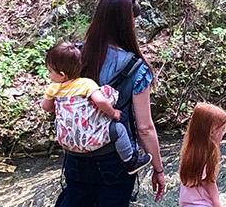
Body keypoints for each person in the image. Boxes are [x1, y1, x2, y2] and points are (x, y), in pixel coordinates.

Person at [39, 0, 170, 207]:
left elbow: (54, 102)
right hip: (115, 163)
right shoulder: (135, 67)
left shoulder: (78, 56)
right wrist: (157, 167)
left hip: (76, 159)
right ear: (128, 22)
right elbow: (143, 125)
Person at [40, 41, 148, 173]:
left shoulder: (53, 89)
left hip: (67, 142)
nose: (49, 74)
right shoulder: (86, 84)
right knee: (118, 130)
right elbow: (101, 101)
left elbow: (46, 107)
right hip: (91, 138)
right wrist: (114, 113)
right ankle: (130, 161)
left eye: (50, 71)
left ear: (62, 74)